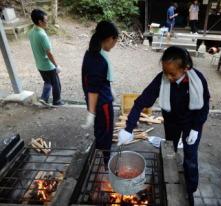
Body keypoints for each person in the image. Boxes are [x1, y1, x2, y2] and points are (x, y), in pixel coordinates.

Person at [118, 46, 210, 206]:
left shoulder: (198, 80)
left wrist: (196, 127)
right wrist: (128, 128)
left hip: (192, 123)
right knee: (169, 152)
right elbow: (141, 102)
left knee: (190, 158)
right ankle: (164, 180)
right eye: (165, 71)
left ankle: (190, 191)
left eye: (172, 73)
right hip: (172, 121)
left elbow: (204, 105)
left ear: (185, 68)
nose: (167, 76)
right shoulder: (162, 79)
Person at [81, 21, 119, 167]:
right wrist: (91, 112)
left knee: (100, 128)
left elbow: (94, 81)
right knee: (107, 131)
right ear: (110, 38)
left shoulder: (91, 52)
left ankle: (99, 152)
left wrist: (109, 88)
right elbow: (93, 89)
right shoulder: (99, 60)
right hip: (102, 103)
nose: (114, 45)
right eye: (115, 41)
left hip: (97, 101)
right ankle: (106, 160)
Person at [29, 9, 64, 106]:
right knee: (56, 83)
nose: (47, 22)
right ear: (40, 22)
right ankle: (57, 101)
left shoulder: (31, 32)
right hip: (48, 65)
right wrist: (56, 65)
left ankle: (44, 98)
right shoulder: (42, 35)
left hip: (39, 65)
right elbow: (49, 53)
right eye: (46, 20)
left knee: (47, 81)